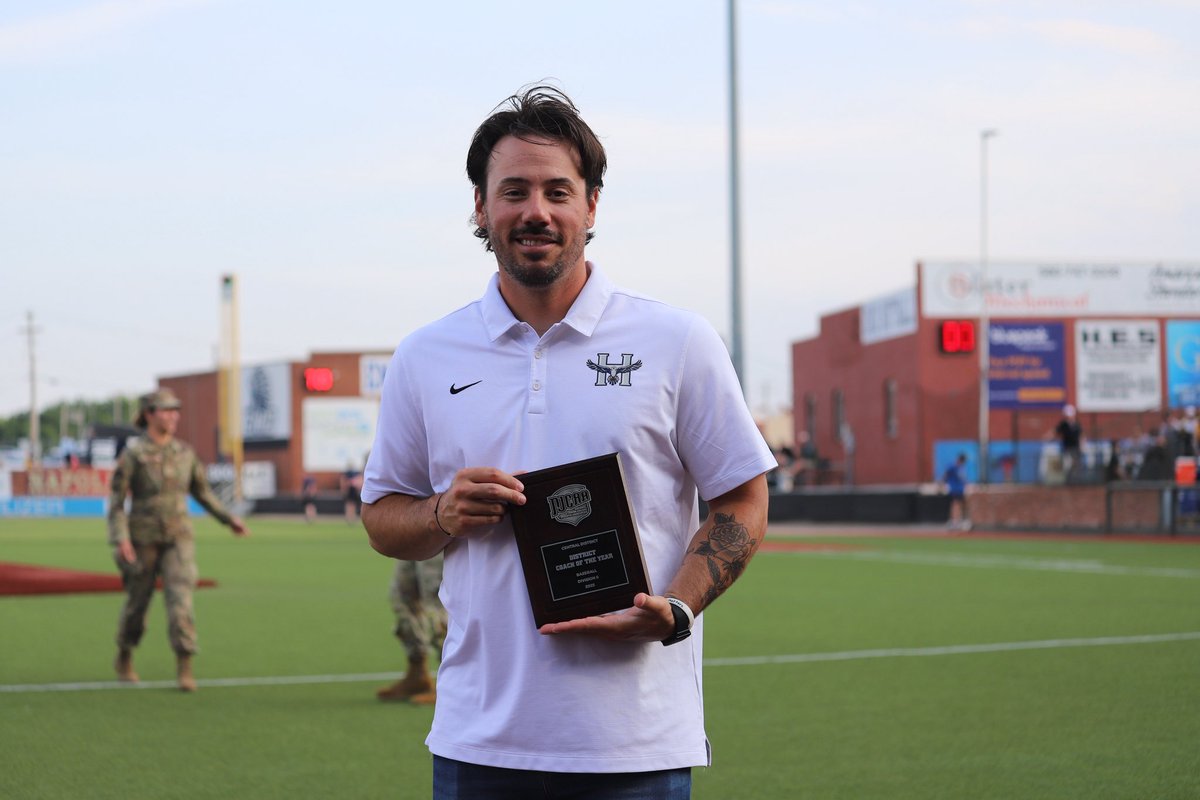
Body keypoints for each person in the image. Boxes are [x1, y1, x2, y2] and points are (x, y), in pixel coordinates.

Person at [361, 85, 775, 799]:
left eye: (559, 190)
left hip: (635, 744)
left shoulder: (676, 341)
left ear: (591, 207)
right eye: (513, 191)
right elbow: (380, 518)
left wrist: (676, 606)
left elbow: (742, 495)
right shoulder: (426, 355)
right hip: (480, 744)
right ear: (481, 209)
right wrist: (440, 515)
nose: (536, 211)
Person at [106, 388, 250, 692]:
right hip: (142, 538)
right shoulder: (133, 455)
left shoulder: (185, 453)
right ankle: (125, 654)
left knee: (181, 601)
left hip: (178, 538)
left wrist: (228, 519)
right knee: (137, 605)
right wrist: (120, 539)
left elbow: (203, 492)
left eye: (176, 410)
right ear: (149, 414)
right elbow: (116, 503)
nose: (174, 416)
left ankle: (185, 664)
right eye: (166, 410)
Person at [376, 557, 447, 705]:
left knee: (438, 603)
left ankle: (450, 685)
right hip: (411, 535)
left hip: (441, 537)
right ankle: (418, 674)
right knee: (402, 596)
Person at [1049, 404, 1085, 479]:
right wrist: (1048, 437)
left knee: (1076, 464)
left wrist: (1082, 445)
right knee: (1067, 464)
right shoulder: (1064, 424)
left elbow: (1081, 435)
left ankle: (1076, 479)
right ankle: (1069, 479)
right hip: (1067, 448)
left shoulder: (1077, 424)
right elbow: (1055, 431)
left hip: (1075, 447)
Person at [941, 453, 971, 530]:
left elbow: (963, 478)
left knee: (961, 504)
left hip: (960, 489)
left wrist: (966, 484)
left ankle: (959, 520)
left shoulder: (961, 467)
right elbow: (945, 475)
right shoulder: (952, 466)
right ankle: (954, 521)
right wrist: (941, 484)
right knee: (955, 504)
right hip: (954, 489)